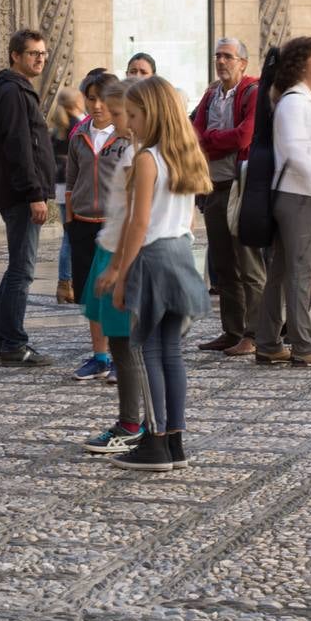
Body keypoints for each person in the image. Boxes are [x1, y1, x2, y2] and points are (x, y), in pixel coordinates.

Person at [97, 75, 210, 471]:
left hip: (154, 257)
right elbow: (191, 222)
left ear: (151, 113)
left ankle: (155, 440)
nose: (128, 121)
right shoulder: (184, 154)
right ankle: (175, 440)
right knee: (172, 353)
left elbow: (138, 222)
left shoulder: (147, 159)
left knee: (146, 350)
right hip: (181, 254)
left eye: (132, 113)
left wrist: (120, 274)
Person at [251, 37, 311, 368]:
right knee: (300, 272)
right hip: (297, 196)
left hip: (296, 193)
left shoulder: (297, 100)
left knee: (280, 271)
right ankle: (303, 346)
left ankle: (267, 342)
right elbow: (293, 152)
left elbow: (302, 147)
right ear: (302, 63)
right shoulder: (294, 101)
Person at [80, 81, 149, 455]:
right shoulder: (130, 152)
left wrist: (120, 263)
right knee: (119, 339)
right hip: (111, 246)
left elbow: (137, 218)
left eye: (120, 113)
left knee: (128, 342)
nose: (114, 118)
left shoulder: (144, 155)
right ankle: (134, 421)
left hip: (126, 253)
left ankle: (134, 423)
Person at [0, 29, 57, 367]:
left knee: (17, 268)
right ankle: (13, 342)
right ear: (15, 55)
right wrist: (35, 194)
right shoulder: (13, 92)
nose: (39, 59)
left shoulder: (17, 90)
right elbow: (19, 148)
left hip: (22, 193)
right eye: (32, 54)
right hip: (22, 195)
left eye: (42, 53)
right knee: (23, 271)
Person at [191, 37, 264, 357]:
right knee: (223, 267)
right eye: (217, 56)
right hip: (214, 187)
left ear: (243, 63)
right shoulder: (210, 95)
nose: (221, 61)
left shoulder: (252, 92)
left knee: (248, 264)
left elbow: (244, 136)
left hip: (242, 186)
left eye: (228, 57)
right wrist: (213, 140)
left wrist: (210, 140)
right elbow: (193, 136)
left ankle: (256, 332)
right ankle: (232, 330)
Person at [66, 70, 133, 381]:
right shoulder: (79, 133)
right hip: (83, 221)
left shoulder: (126, 136)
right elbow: (70, 178)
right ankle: (99, 355)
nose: (96, 106)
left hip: (114, 223)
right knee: (91, 293)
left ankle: (123, 355)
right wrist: (69, 213)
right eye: (91, 98)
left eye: (103, 99)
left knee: (117, 291)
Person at [49, 87, 84, 303]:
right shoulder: (77, 126)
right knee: (72, 237)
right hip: (74, 186)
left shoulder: (57, 128)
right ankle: (66, 282)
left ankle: (65, 284)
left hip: (62, 187)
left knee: (68, 236)